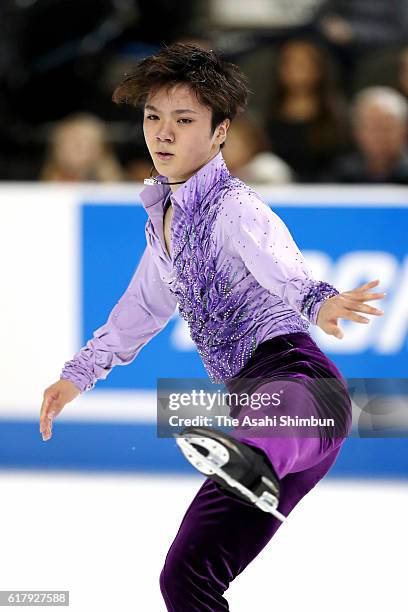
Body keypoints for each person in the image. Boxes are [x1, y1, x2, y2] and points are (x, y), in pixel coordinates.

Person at [39, 43, 386, 610]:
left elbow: (281, 265)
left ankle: (251, 455)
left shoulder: (232, 205)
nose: (163, 134)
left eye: (184, 120)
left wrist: (319, 300)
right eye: (154, 118)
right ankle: (249, 457)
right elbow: (140, 311)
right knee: (187, 580)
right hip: (254, 416)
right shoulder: (164, 223)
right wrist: (79, 373)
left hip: (300, 388)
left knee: (269, 422)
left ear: (220, 131)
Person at [264, 38, 350, 182]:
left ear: (319, 68)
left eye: (303, 63)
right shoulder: (269, 113)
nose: (295, 69)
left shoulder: (337, 115)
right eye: (289, 63)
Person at [328, 86, 408, 183]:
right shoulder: (340, 174)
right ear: (357, 131)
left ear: (404, 130)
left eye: (387, 127)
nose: (380, 135)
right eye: (373, 127)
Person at [40, 112, 123, 182]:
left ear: (101, 148)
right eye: (70, 141)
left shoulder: (121, 188)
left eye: (85, 142)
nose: (77, 149)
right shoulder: (37, 186)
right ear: (57, 148)